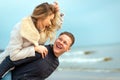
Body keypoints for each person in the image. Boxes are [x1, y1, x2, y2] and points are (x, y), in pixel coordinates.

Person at [0, 1, 63, 77]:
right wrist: (34, 49)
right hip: (6, 67)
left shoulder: (42, 30)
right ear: (43, 16)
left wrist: (56, 13)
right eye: (50, 19)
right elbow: (13, 56)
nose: (50, 23)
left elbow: (55, 26)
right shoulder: (21, 28)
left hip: (20, 67)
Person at [0, 31, 75, 80]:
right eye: (60, 39)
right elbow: (11, 60)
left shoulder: (56, 63)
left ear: (68, 49)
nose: (61, 42)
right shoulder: (41, 50)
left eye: (65, 43)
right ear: (56, 39)